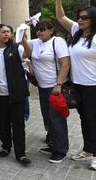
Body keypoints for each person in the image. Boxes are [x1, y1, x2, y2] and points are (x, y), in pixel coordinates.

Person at [55, 0, 96, 171]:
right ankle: (88, 151)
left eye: (84, 17)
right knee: (85, 119)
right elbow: (61, 17)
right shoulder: (76, 34)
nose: (80, 20)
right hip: (78, 86)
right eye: (79, 17)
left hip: (95, 86)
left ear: (93, 19)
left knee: (94, 120)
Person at [0, 24, 32, 166]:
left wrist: (24, 39)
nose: (7, 34)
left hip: (16, 93)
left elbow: (27, 54)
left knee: (18, 124)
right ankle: (6, 147)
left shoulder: (16, 48)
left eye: (9, 31)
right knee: (3, 122)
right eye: (3, 32)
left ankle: (21, 154)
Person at [26, 19, 70, 163]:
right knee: (47, 117)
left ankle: (61, 150)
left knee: (56, 118)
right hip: (42, 87)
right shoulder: (35, 42)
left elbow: (65, 63)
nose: (39, 32)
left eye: (43, 29)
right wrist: (24, 27)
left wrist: (59, 84)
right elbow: (23, 46)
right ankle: (53, 143)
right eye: (38, 29)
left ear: (51, 30)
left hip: (54, 86)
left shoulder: (57, 42)